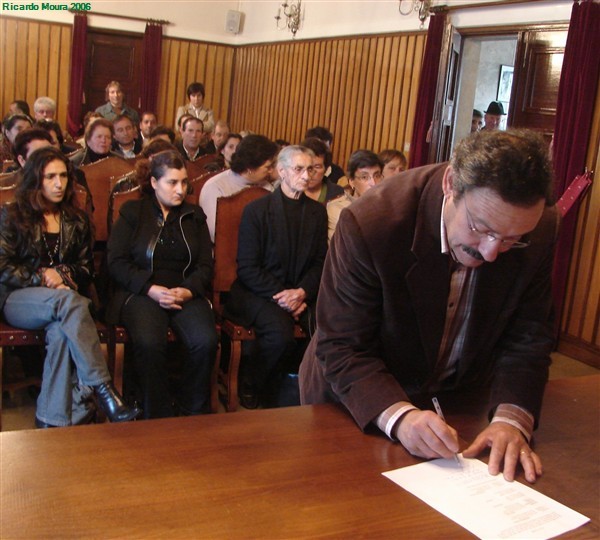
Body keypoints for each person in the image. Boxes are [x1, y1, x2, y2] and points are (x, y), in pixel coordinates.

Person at [300, 130, 559, 484]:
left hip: (457, 404)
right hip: (355, 400)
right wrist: (401, 417)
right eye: (480, 228)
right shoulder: (372, 222)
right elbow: (342, 345)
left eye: (511, 240)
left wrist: (511, 420)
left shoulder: (538, 225)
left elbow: (529, 335)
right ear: (452, 184)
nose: (490, 251)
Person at [0, 147, 141, 427]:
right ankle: (104, 389)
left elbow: (87, 269)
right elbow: (3, 267)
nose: (58, 183)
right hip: (17, 299)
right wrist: (43, 277)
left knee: (61, 332)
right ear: (35, 180)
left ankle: (50, 420)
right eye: (50, 176)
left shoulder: (75, 219)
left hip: (63, 303)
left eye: (63, 176)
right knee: (72, 304)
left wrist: (62, 274)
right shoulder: (12, 215)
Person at [107, 150, 217, 419]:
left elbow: (205, 265)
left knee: (205, 340)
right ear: (154, 183)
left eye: (184, 183)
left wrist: (189, 289)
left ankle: (191, 408)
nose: (180, 190)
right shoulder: (134, 211)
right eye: (172, 183)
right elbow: (116, 261)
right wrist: (150, 288)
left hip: (184, 291)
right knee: (148, 342)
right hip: (143, 291)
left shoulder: (194, 215)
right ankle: (155, 413)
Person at [225, 145, 328, 408]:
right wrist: (284, 297)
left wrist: (302, 292)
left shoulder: (317, 212)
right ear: (281, 171)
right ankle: (256, 382)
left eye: (311, 169)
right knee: (280, 333)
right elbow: (248, 268)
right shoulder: (257, 210)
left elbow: (320, 263)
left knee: (327, 323)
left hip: (300, 293)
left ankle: (298, 389)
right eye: (299, 169)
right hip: (257, 291)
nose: (306, 176)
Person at [200, 134, 278, 242]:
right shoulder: (216, 187)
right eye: (267, 167)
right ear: (250, 167)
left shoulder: (267, 188)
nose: (271, 171)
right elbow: (215, 234)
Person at [327, 150, 383, 242]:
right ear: (351, 181)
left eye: (377, 176)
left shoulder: (388, 207)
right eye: (364, 177)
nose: (373, 183)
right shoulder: (338, 209)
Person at [301, 137, 344, 204]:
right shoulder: (286, 190)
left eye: (317, 167)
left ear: (326, 169)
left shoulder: (339, 194)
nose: (311, 172)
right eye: (307, 166)